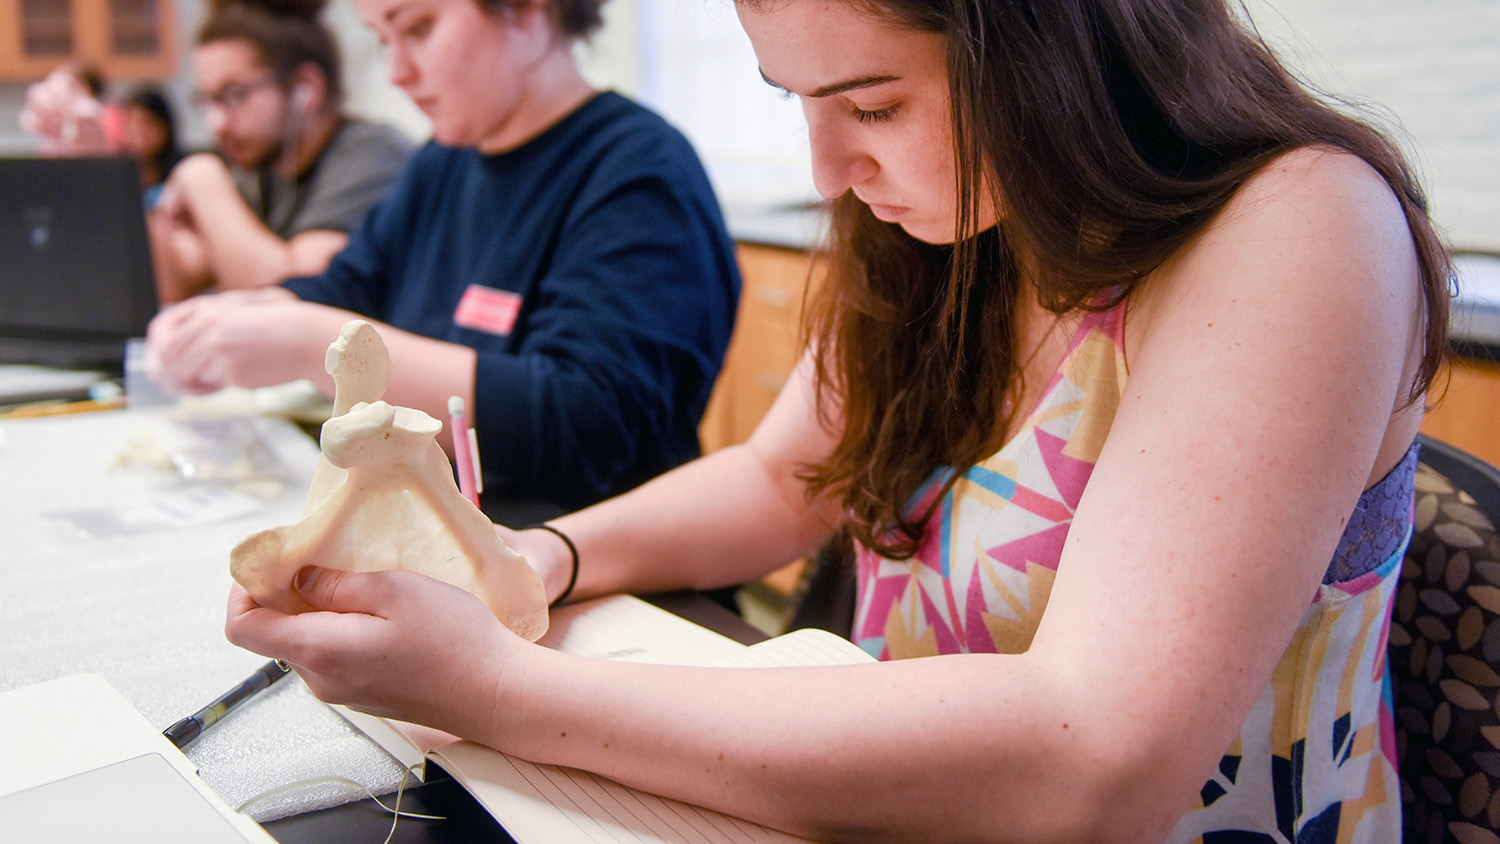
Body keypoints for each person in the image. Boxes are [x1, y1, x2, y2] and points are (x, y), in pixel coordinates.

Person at [224, 0, 1452, 840]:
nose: (825, 171)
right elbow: (777, 480)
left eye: (871, 106)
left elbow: (1098, 759)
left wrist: (499, 689)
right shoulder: (971, 218)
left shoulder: (1302, 228)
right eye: (798, 98)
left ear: (1057, 48)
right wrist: (543, 557)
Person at [145, 0, 741, 517]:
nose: (398, 72)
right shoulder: (441, 163)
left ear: (528, 11)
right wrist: (243, 315)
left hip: (602, 580)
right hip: (448, 542)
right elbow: (348, 285)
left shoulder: (637, 171)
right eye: (384, 40)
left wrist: (302, 340)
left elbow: (586, 421)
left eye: (419, 28)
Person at [148, 0, 414, 303]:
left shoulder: (374, 158)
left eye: (234, 95)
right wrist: (114, 167)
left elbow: (297, 298)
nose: (216, 123)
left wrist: (202, 180)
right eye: (207, 101)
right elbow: (176, 283)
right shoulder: (261, 165)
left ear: (306, 87)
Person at [117, 84, 184, 204]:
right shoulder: (117, 176)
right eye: (131, 124)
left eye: (146, 123)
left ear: (165, 127)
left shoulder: (181, 173)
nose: (138, 132)